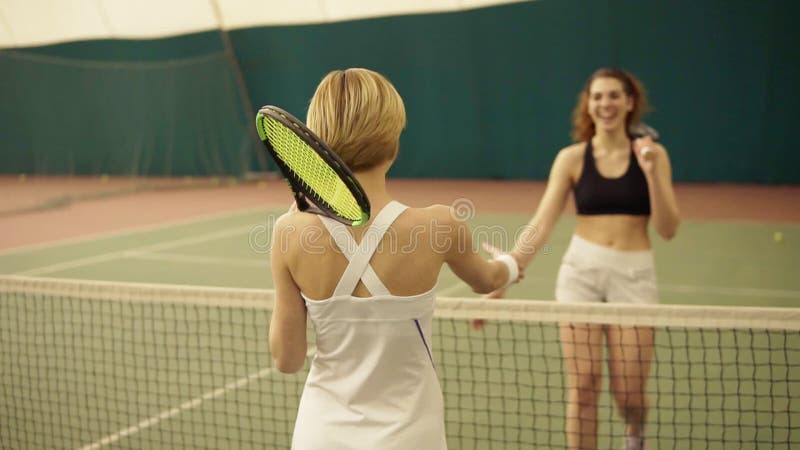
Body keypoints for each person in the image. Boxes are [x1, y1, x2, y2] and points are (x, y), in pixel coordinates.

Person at [268, 68, 521, 450]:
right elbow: (489, 279)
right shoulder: (439, 224)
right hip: (411, 437)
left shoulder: (288, 232)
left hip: (320, 436)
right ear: (392, 139)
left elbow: (287, 359)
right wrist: (511, 264)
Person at [479, 68, 680, 450]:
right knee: (584, 385)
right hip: (580, 273)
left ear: (630, 102)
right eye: (598, 96)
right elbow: (541, 224)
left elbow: (668, 229)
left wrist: (652, 173)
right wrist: (502, 277)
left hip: (634, 275)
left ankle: (634, 435)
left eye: (614, 96)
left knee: (630, 396)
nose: (606, 104)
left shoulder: (654, 156)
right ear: (588, 105)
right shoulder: (571, 159)